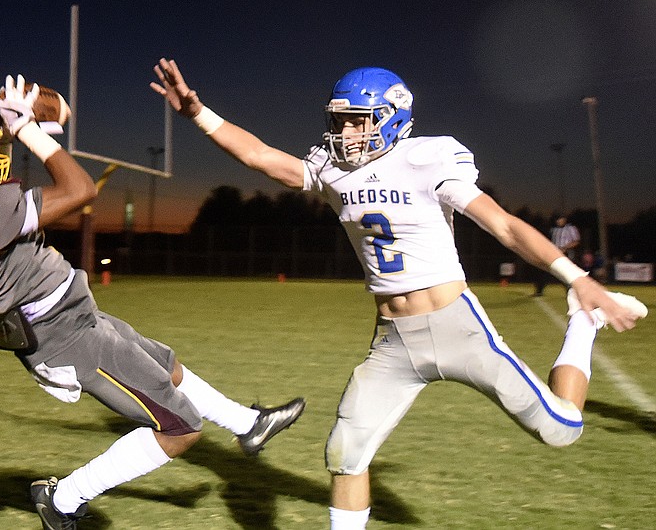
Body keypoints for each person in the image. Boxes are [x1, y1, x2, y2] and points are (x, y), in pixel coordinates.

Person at [150, 59, 648, 529]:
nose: (344, 132)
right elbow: (261, 157)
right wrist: (197, 112)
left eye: (357, 121)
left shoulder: (427, 158)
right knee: (345, 454)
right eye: (340, 120)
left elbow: (505, 226)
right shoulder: (332, 168)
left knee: (561, 429)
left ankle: (582, 325)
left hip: (458, 326)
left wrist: (576, 279)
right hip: (393, 341)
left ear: (390, 118)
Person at [0, 75, 305, 530]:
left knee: (167, 367)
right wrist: (29, 131)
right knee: (182, 428)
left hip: (66, 317)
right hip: (63, 334)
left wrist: (25, 122)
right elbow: (80, 190)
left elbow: (24, 165)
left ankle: (248, 424)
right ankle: (65, 498)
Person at [534, 215, 582, 295]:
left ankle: (570, 290)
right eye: (557, 220)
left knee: (565, 272)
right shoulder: (554, 229)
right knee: (545, 270)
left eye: (560, 219)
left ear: (564, 219)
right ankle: (539, 290)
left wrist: (565, 247)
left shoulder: (570, 228)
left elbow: (576, 241)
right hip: (554, 252)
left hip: (566, 253)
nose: (558, 221)